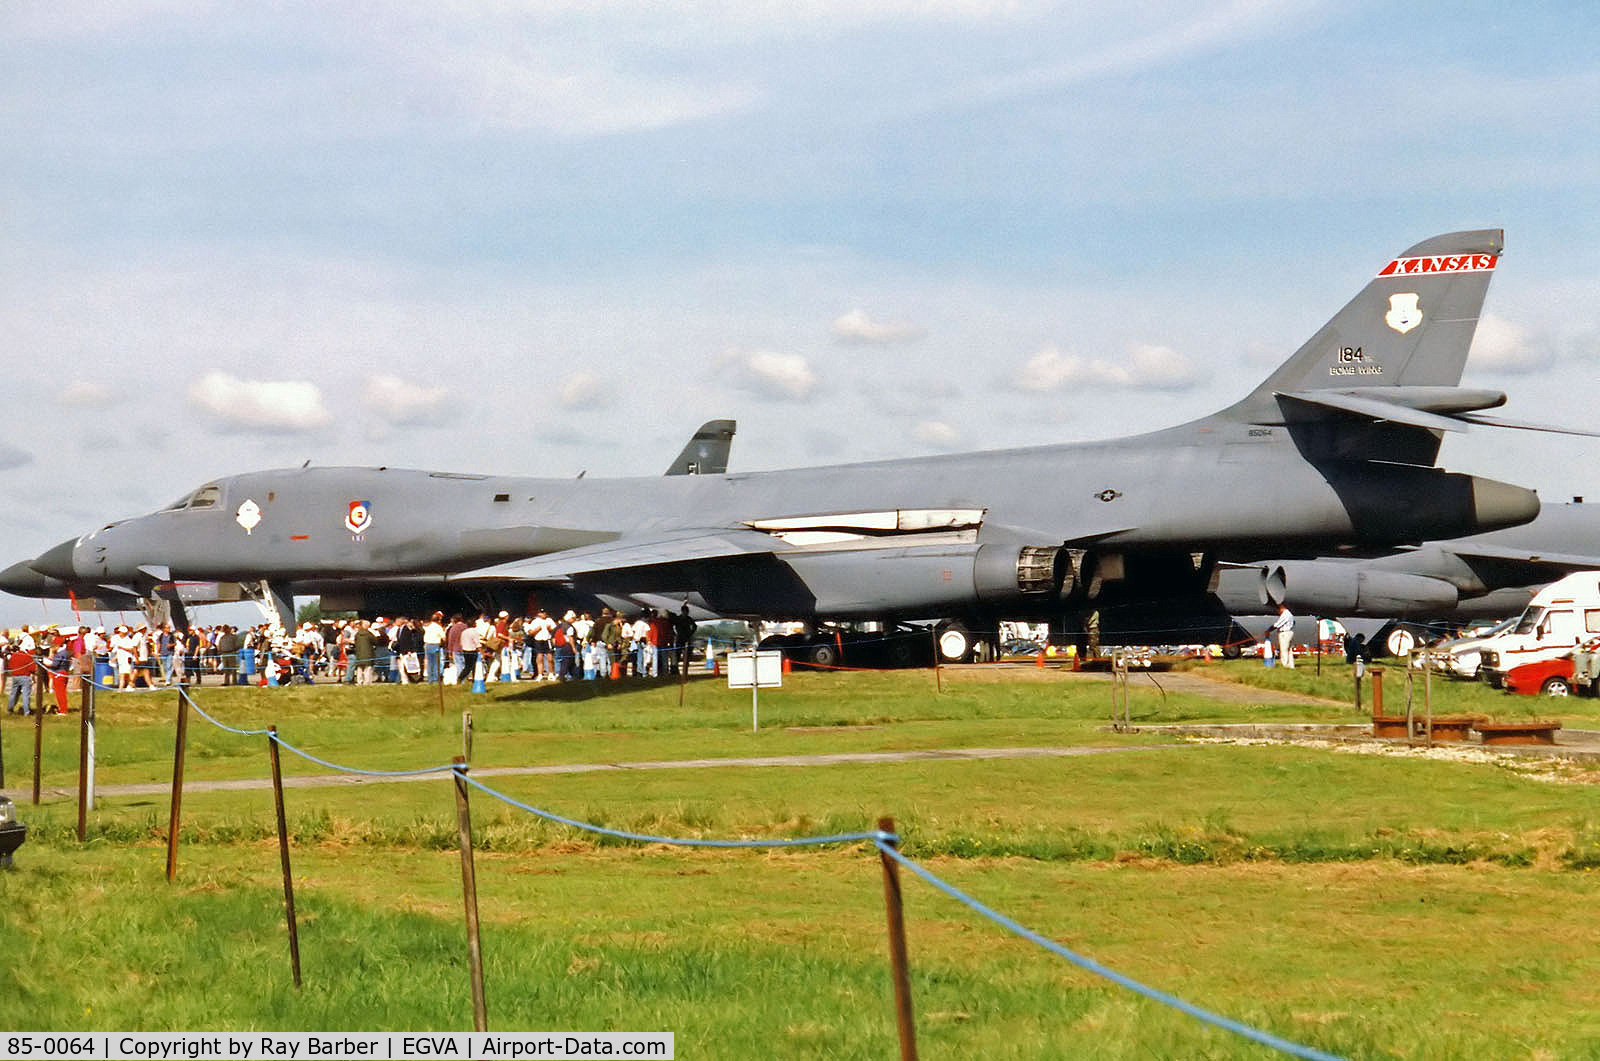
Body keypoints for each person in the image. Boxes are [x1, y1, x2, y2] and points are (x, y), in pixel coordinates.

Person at [6, 641, 36, 714]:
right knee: (25, 695)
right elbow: (32, 668)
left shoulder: (13, 656)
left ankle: (10, 709)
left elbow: (10, 666)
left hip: (15, 677)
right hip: (25, 677)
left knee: (14, 694)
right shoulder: (27, 656)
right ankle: (26, 711)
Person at [1271, 604, 1296, 669]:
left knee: (1283, 650)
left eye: (1278, 610)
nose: (1278, 612)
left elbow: (1278, 624)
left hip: (1285, 633)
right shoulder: (1290, 614)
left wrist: (1268, 630)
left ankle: (1285, 665)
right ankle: (1291, 665)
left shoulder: (1285, 614)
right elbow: (1294, 623)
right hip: (1289, 632)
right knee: (1289, 650)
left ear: (1281, 608)